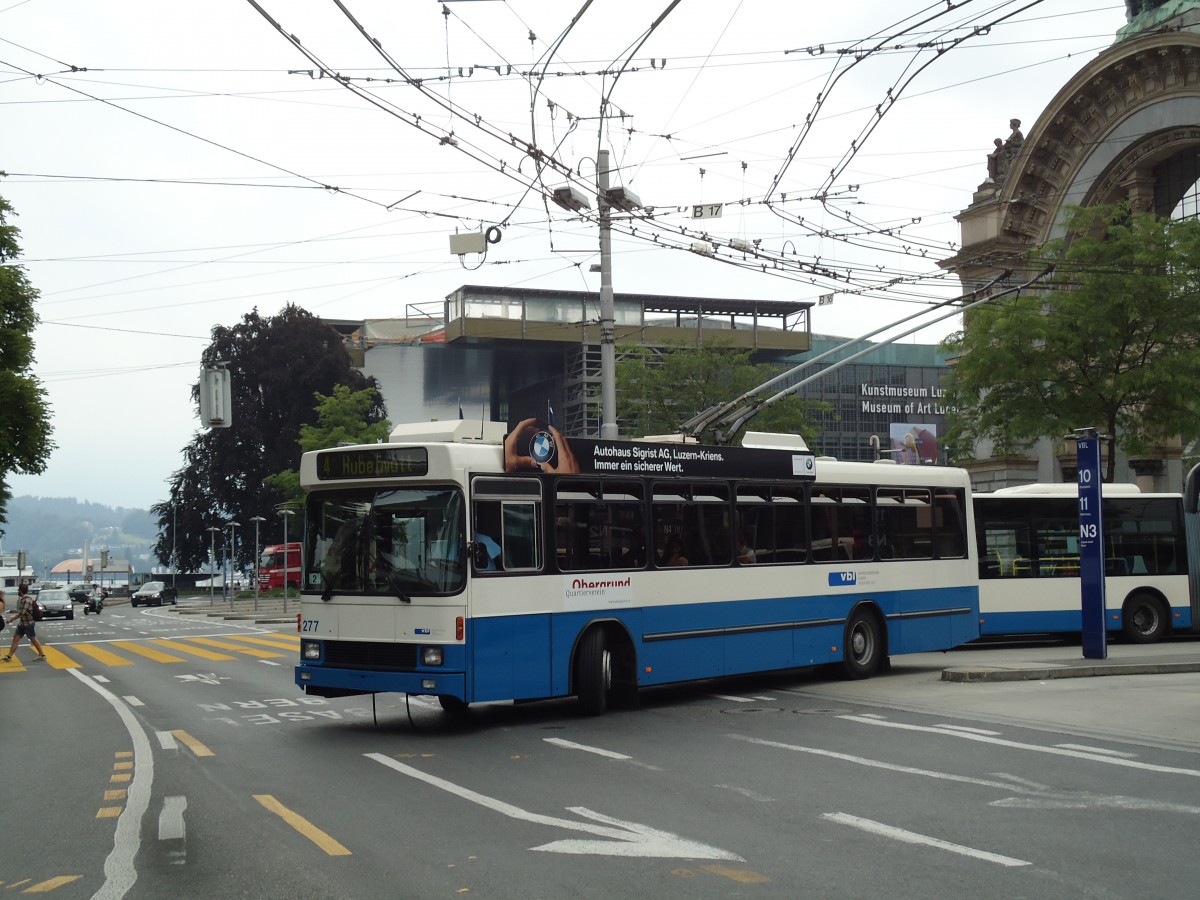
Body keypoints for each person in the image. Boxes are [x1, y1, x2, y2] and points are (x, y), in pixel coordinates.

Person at [3, 582, 47, 663]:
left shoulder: (26, 600)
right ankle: (9, 656)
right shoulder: (24, 599)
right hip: (22, 623)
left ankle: (42, 655)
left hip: (28, 623)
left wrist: (11, 619)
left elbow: (22, 613)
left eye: (18, 590)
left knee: (33, 639)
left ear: (20, 591)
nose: (18, 592)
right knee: (15, 639)